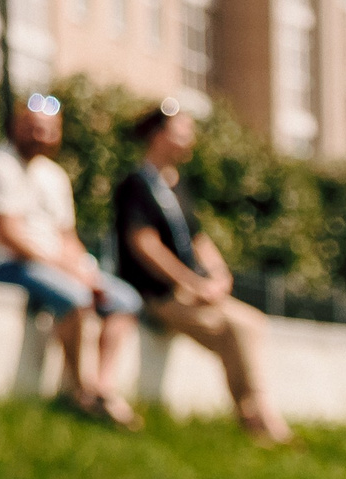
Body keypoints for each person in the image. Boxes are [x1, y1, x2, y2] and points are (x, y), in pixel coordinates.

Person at [113, 100, 291, 444]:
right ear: (159, 136)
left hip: (191, 291)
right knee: (235, 329)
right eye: (182, 133)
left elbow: (197, 237)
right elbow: (144, 245)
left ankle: (253, 412)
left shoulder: (175, 184)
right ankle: (258, 416)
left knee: (252, 323)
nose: (190, 140)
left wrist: (219, 274)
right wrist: (190, 283)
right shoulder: (136, 185)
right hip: (157, 293)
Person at [0, 92, 142, 426]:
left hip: (50, 266)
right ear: (16, 127)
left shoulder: (55, 176)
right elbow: (9, 235)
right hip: (0, 263)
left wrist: (85, 270)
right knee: (74, 296)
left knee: (124, 300)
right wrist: (70, 273)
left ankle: (104, 389)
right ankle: (82, 391)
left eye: (49, 129)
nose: (42, 135)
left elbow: (67, 237)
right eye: (33, 127)